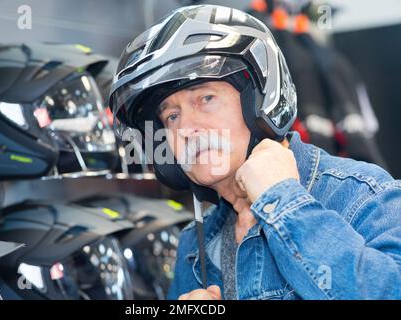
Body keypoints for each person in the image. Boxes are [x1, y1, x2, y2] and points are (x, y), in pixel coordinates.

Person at [109, 5, 401, 300]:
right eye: (172, 116)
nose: (186, 129)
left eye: (206, 98)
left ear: (262, 99)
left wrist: (284, 202)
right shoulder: (192, 245)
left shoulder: (366, 196)